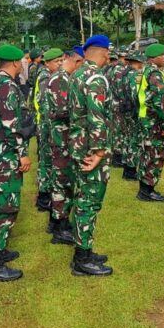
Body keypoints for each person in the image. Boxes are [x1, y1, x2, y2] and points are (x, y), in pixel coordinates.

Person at [0, 44, 33, 283]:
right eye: (22, 61)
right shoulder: (6, 87)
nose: (23, 64)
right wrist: (22, 153)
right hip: (6, 154)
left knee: (2, 203)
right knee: (5, 206)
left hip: (0, 152)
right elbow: (11, 125)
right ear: (14, 63)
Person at [67, 35, 113, 276]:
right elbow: (97, 117)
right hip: (90, 149)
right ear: (104, 53)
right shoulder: (95, 77)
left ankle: (84, 250)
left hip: (78, 143)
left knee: (83, 197)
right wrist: (98, 152)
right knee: (89, 201)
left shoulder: (78, 74)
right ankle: (82, 258)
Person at [45, 49, 83, 245]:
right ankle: (60, 227)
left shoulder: (63, 77)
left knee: (62, 181)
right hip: (62, 139)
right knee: (62, 181)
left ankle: (57, 221)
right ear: (76, 61)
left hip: (63, 138)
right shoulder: (61, 79)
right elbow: (61, 111)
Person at [136, 43, 164, 202]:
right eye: (162, 55)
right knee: (154, 155)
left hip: (146, 118)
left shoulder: (147, 70)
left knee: (147, 153)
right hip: (153, 120)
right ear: (154, 58)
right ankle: (147, 190)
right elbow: (160, 102)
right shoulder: (155, 73)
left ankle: (145, 189)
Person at [33, 48, 63, 216]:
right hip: (46, 124)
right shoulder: (46, 78)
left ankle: (45, 194)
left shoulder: (51, 76)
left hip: (47, 123)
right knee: (46, 160)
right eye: (56, 61)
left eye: (61, 60)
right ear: (47, 63)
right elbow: (46, 105)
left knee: (47, 160)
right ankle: (44, 197)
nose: (60, 64)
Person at [119, 51, 145, 181]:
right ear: (137, 61)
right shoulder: (134, 74)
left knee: (127, 138)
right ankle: (130, 169)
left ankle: (126, 165)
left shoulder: (124, 73)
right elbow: (136, 94)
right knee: (134, 140)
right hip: (133, 110)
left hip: (124, 109)